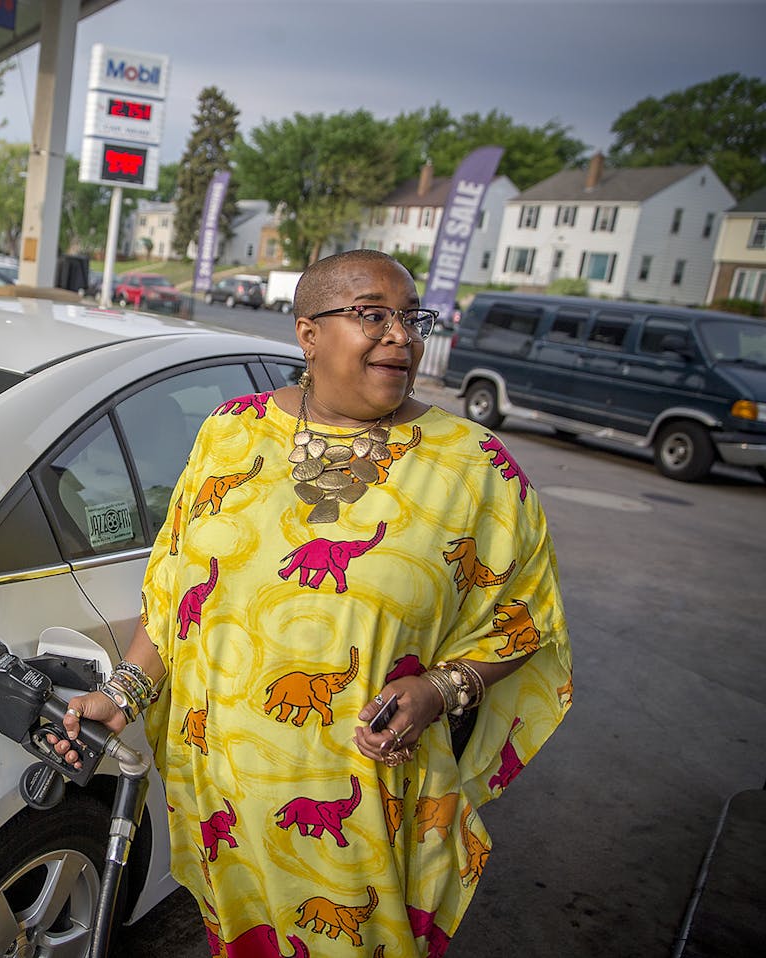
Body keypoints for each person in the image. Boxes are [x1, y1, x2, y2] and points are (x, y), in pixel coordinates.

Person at [56, 249, 572, 956]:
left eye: (409, 317)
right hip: (220, 789)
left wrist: (439, 689)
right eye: (372, 316)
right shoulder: (229, 432)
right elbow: (177, 592)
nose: (402, 335)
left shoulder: (476, 467)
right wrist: (125, 691)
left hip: (366, 797)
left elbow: (522, 625)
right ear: (309, 333)